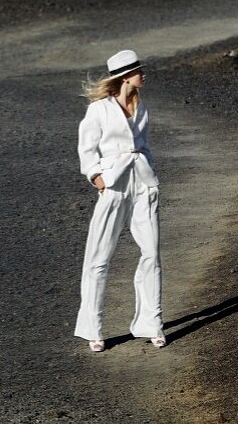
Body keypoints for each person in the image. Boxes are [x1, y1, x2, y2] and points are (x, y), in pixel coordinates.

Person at [74, 48, 165, 353]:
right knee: (99, 257)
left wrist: (152, 178)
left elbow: (145, 146)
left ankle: (151, 324)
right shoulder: (98, 110)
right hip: (113, 187)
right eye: (139, 70)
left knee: (151, 253)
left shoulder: (142, 108)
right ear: (126, 76)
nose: (144, 74)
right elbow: (86, 151)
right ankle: (92, 328)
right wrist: (98, 179)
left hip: (143, 185)